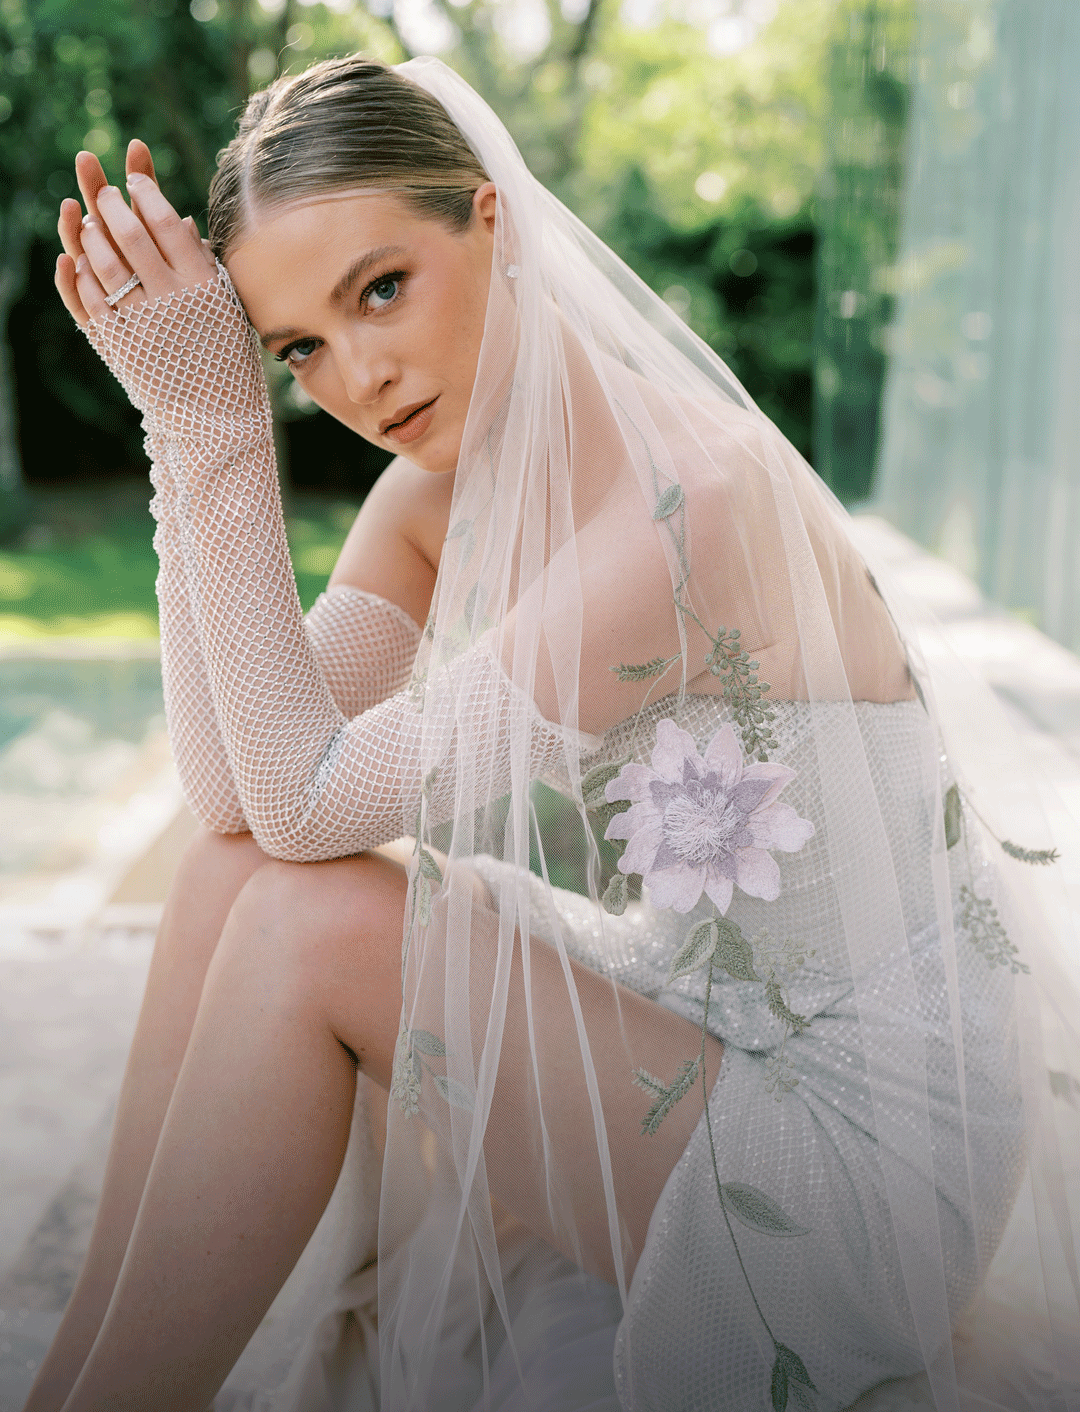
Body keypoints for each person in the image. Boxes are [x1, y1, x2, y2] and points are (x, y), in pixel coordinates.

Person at [29, 53, 1080, 1412]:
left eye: (381, 288)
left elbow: (304, 799)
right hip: (699, 1020)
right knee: (236, 882)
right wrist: (182, 435)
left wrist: (210, 419)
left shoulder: (691, 500)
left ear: (495, 221)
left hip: (858, 1147)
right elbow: (236, 802)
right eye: (297, 351)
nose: (359, 374)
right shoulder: (428, 494)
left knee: (305, 926)